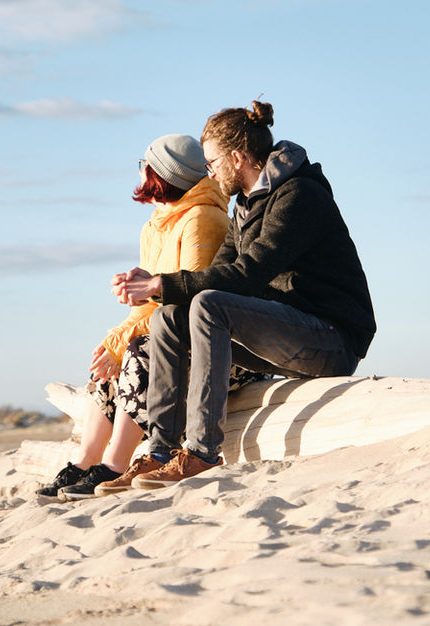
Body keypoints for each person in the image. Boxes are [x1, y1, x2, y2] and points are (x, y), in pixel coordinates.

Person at [112, 101, 376, 489]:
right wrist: (158, 286)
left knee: (208, 305)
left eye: (212, 163)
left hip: (331, 340)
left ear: (237, 158)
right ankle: (160, 451)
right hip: (285, 335)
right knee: (168, 316)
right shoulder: (245, 205)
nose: (209, 172)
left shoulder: (299, 195)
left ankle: (201, 452)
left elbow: (249, 275)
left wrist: (159, 284)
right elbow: (213, 274)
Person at [36, 134, 265, 500]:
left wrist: (124, 342)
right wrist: (114, 340)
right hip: (177, 334)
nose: (140, 172)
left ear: (160, 172)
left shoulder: (203, 219)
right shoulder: (155, 225)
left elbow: (186, 299)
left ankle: (115, 464)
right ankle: (85, 460)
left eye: (144, 165)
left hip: (215, 347)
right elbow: (148, 305)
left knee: (139, 351)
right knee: (112, 355)